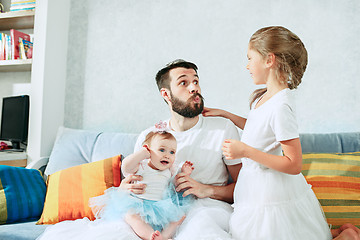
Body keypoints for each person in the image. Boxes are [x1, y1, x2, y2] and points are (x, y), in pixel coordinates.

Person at [202, 26, 360, 240]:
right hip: (254, 188)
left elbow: (293, 164)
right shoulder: (264, 97)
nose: (246, 65)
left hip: (271, 193)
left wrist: (246, 152)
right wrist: (228, 115)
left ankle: (348, 236)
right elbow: (261, 130)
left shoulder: (281, 106)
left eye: (250, 58)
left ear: (269, 60)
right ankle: (342, 232)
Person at [124, 59, 242, 240]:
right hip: (156, 211)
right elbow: (135, 181)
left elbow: (245, 188)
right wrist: (125, 189)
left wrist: (206, 190)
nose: (194, 87)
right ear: (166, 94)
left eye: (196, 81)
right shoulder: (148, 136)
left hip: (206, 210)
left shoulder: (222, 128)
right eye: (183, 83)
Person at [90, 126, 194, 240]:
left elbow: (175, 185)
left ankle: (163, 236)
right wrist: (141, 154)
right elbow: (126, 167)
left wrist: (184, 173)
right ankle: (150, 235)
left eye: (172, 152)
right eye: (162, 150)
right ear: (148, 151)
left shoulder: (169, 170)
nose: (167, 155)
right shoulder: (141, 166)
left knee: (177, 218)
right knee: (131, 216)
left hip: (161, 206)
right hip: (138, 204)